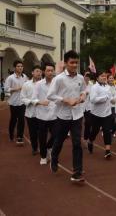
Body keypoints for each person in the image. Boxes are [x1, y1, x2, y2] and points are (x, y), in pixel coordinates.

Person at [47, 50, 86, 183]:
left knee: (77, 143)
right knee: (59, 140)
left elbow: (84, 91)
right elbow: (50, 95)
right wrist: (65, 100)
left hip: (77, 115)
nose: (75, 65)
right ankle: (54, 156)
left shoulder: (80, 78)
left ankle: (77, 172)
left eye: (76, 62)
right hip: (63, 115)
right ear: (65, 63)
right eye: (72, 62)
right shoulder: (59, 79)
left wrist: (82, 96)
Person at [33, 63, 56, 165]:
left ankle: (48, 147)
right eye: (48, 70)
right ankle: (43, 156)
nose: (50, 72)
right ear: (44, 72)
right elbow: (33, 98)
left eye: (52, 70)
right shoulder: (38, 84)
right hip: (41, 115)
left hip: (54, 114)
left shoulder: (57, 83)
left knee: (57, 135)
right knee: (42, 137)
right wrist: (40, 102)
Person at [88, 71, 114, 159]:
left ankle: (107, 151)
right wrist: (105, 98)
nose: (104, 77)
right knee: (95, 131)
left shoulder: (108, 87)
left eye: (105, 76)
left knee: (107, 131)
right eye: (102, 76)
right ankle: (90, 141)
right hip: (96, 114)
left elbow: (110, 98)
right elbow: (93, 100)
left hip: (107, 113)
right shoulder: (94, 87)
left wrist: (114, 100)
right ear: (97, 78)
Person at [4, 60, 27, 145]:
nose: (20, 68)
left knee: (21, 119)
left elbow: (27, 86)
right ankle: (11, 134)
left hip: (22, 102)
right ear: (15, 67)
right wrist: (15, 89)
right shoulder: (10, 78)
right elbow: (6, 89)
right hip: (13, 102)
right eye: (18, 66)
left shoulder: (25, 77)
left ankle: (20, 137)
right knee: (13, 119)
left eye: (21, 66)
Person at [20, 65, 42, 154]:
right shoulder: (26, 84)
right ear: (32, 72)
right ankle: (34, 148)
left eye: (40, 71)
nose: (39, 73)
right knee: (33, 132)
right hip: (30, 113)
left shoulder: (44, 84)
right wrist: (32, 102)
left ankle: (43, 148)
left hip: (42, 113)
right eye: (37, 71)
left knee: (42, 132)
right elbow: (22, 97)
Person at [83, 72, 93, 144]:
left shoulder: (91, 85)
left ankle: (86, 138)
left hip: (88, 107)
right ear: (84, 76)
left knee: (88, 122)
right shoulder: (80, 83)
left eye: (89, 76)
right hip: (80, 106)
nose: (87, 77)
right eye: (86, 76)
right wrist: (83, 93)